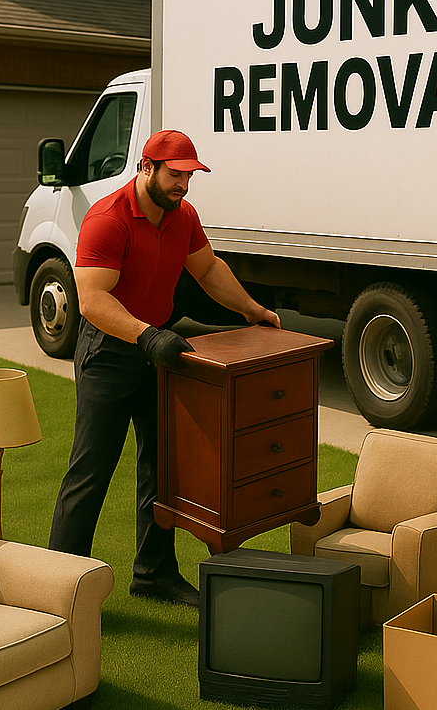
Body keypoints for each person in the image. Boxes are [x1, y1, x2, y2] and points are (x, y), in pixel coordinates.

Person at [48, 129, 281, 606]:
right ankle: (58, 586)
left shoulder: (183, 215)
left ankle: (153, 574)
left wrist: (251, 309)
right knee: (91, 471)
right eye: (176, 176)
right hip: (110, 353)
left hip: (157, 351)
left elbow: (208, 269)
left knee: (161, 471)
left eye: (190, 177)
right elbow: (91, 301)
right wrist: (147, 335)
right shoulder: (107, 220)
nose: (184, 187)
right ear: (147, 167)